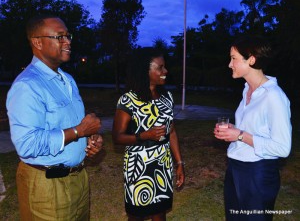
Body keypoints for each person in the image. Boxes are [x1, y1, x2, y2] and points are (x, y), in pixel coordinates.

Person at [6, 15, 103, 220]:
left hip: (79, 179)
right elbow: (27, 144)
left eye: (68, 36)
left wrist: (89, 140)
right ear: (37, 42)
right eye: (60, 37)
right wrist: (79, 131)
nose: (67, 41)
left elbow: (69, 126)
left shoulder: (68, 80)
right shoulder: (28, 86)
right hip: (46, 186)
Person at [214, 35, 292, 221]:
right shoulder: (247, 90)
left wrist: (240, 135)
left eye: (233, 58)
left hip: (258, 174)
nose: (229, 64)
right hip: (235, 169)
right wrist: (234, 130)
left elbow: (283, 147)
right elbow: (252, 129)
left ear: (251, 60)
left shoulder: (273, 96)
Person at [112, 49, 185, 221]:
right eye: (160, 68)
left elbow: (172, 131)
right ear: (145, 71)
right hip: (138, 166)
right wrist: (144, 136)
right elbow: (117, 137)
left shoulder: (167, 97)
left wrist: (179, 162)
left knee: (160, 212)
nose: (165, 71)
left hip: (163, 164)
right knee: (137, 215)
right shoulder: (128, 100)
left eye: (165, 67)